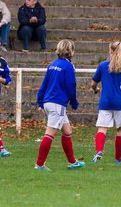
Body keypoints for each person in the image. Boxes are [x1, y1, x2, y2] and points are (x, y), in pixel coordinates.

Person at [35, 39, 85, 171]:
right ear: (71, 51)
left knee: (67, 131)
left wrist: (40, 101)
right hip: (57, 103)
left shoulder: (52, 65)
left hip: (49, 101)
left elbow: (44, 84)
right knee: (50, 132)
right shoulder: (68, 66)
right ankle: (39, 164)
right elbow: (71, 86)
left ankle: (72, 162)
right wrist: (74, 102)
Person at [91, 42, 121, 164]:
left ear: (111, 51)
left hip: (105, 101)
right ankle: (118, 158)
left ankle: (99, 151)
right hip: (120, 102)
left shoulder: (103, 66)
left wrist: (95, 89)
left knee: (102, 128)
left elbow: (93, 83)